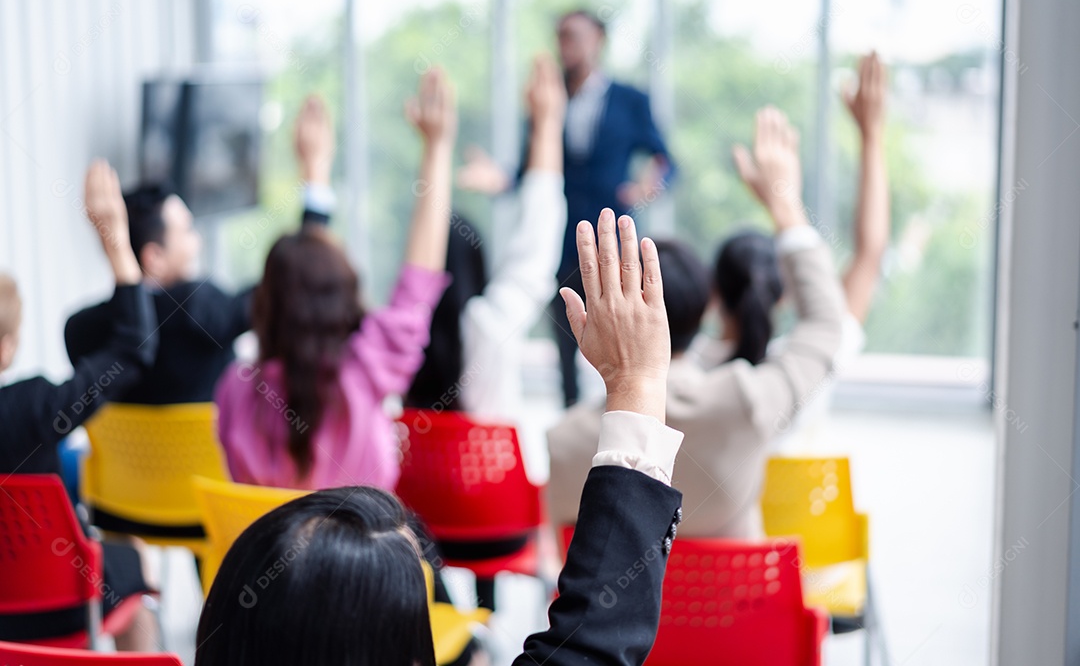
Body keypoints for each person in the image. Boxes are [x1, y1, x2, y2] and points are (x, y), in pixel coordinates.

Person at [194, 209, 685, 666]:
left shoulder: (235, 388)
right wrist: (636, 381)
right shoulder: (364, 371)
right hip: (495, 535)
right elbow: (416, 292)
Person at [547, 106, 847, 538]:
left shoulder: (567, 441)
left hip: (639, 608)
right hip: (734, 605)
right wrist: (786, 207)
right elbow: (825, 326)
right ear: (709, 305)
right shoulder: (747, 401)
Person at [214, 68, 456, 491]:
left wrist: (316, 173)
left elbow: (298, 278)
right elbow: (419, 278)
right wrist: (437, 149)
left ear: (265, 303)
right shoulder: (366, 372)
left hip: (273, 559)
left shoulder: (237, 391)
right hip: (364, 561)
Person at [457, 9, 675, 407]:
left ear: (599, 40)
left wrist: (650, 183)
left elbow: (664, 159)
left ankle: (625, 410)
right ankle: (570, 423)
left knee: (621, 332)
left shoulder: (630, 100)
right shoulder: (547, 100)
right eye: (560, 36)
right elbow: (533, 168)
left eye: (574, 36)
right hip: (559, 240)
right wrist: (503, 179)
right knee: (566, 336)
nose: (565, 45)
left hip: (611, 239)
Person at [63, 100, 337, 405]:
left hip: (131, 455)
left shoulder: (80, 332)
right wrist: (315, 172)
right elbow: (293, 280)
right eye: (188, 232)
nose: (198, 243)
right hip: (213, 454)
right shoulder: (199, 312)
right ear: (154, 258)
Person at [689, 51, 890, 443]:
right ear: (780, 295)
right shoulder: (805, 366)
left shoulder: (682, 376)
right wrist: (871, 136)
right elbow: (869, 253)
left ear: (713, 294)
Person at [0, 160, 159, 650]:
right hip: (58, 603)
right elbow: (134, 349)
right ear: (6, 346)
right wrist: (116, 243)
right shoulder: (32, 406)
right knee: (131, 563)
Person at [406, 53, 566, 420]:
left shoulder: (397, 339)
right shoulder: (489, 327)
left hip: (409, 481)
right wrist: (547, 123)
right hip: (493, 479)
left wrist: (435, 147)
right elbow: (536, 243)